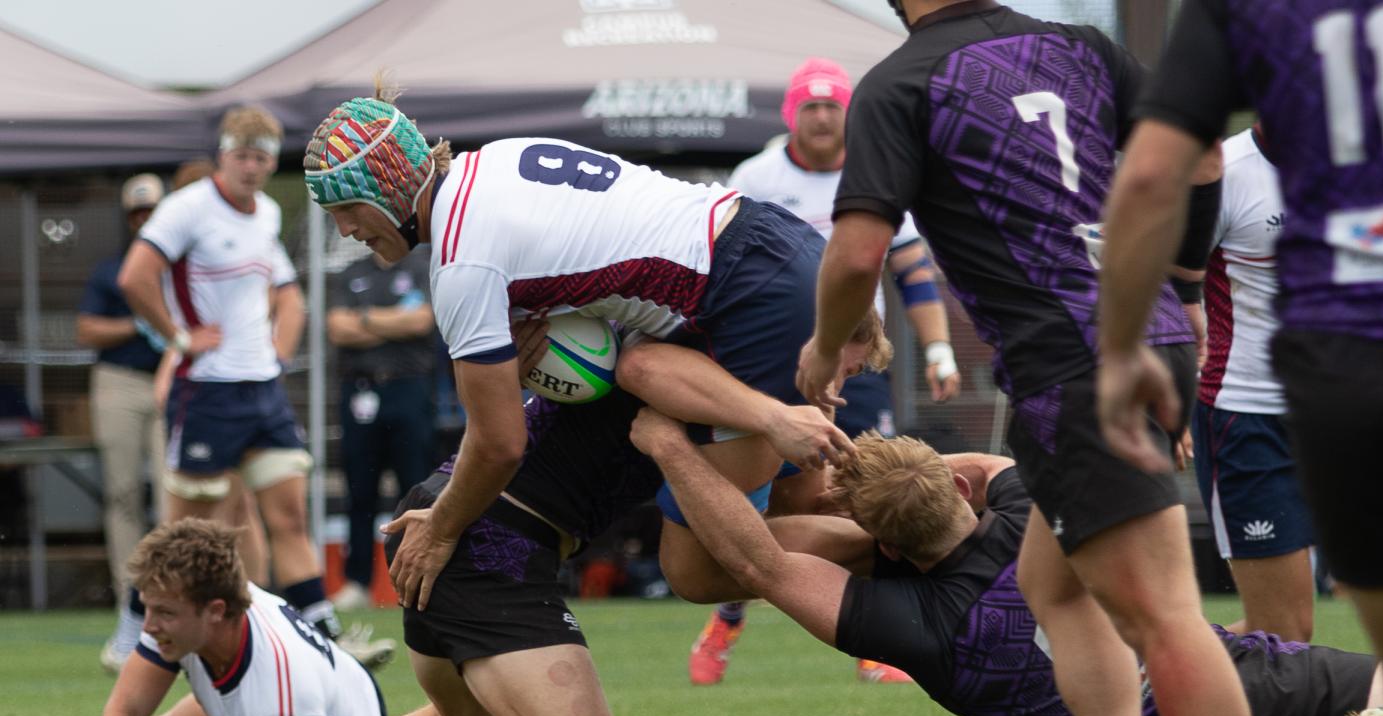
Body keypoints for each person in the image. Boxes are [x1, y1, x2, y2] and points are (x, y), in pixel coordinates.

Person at [791, 1, 1256, 716]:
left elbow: (861, 252)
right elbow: (1206, 158)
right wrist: (1185, 287)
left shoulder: (902, 80)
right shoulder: (1079, 46)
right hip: (1142, 342)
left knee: (1164, 616)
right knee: (1056, 585)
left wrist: (827, 347)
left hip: (1074, 368)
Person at [633, 415, 1383, 716]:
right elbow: (981, 470)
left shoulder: (916, 629)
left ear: (879, 546)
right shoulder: (1029, 503)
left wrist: (672, 446)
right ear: (959, 492)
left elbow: (752, 562)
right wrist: (899, 470)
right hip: (1254, 686)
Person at [302, 86, 856, 621]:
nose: (346, 230)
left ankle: (912, 552)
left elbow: (498, 444)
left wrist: (442, 526)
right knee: (808, 495)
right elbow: (598, 248)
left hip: (745, 298)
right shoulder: (495, 161)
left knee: (698, 568)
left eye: (347, 207)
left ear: (391, 188)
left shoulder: (461, 261)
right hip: (776, 244)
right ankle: (932, 492)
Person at [285, 321, 886, 716]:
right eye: (844, 367)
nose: (837, 391)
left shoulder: (735, 372)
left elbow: (809, 498)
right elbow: (700, 566)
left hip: (456, 516)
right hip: (487, 535)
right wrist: (882, 541)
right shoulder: (725, 386)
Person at [1093, 1, 1383, 716]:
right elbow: (1163, 226)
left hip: (1350, 393)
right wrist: (1162, 368)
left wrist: (1118, 363)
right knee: (1289, 644)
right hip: (1256, 420)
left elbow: (1146, 177)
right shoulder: (1232, 169)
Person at [689, 56, 960, 686]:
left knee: (849, 495)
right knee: (754, 504)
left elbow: (915, 272)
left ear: (848, 115)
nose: (820, 117)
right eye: (809, 106)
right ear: (791, 114)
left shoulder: (876, 171)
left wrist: (940, 350)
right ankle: (728, 616)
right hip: (765, 367)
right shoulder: (755, 174)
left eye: (831, 106)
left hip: (853, 368)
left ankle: (871, 637)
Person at [118, 107, 384, 664]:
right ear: (223, 154)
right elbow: (134, 278)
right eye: (242, 154)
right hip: (208, 389)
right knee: (185, 530)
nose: (252, 166)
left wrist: (276, 354)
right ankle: (131, 630)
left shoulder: (264, 213)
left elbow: (288, 293)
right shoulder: (185, 209)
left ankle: (325, 641)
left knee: (287, 516)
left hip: (262, 390)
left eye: (262, 156)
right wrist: (181, 339)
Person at [48, 518, 385, 716]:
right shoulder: (192, 602)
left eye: (163, 613)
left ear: (216, 611)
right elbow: (125, 711)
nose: (148, 626)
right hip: (341, 689)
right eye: (149, 608)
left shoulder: (277, 712)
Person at [1191, 126, 1317, 643]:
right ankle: (1124, 685)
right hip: (1249, 420)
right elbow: (1159, 288)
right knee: (1282, 633)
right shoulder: (1221, 173)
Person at [76, 172, 169, 673]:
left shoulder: (177, 266)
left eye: (152, 210)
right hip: (122, 381)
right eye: (137, 213)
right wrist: (139, 323)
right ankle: (127, 599)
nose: (145, 220)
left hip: (172, 380)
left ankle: (167, 597)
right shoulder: (114, 269)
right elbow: (85, 327)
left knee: (174, 492)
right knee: (123, 494)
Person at [325, 244, 436, 610]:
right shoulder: (352, 271)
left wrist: (366, 320)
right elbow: (337, 328)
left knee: (414, 488)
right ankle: (357, 582)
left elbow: (421, 320)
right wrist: (392, 323)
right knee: (360, 490)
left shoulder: (421, 266)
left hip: (409, 387)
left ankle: (417, 577)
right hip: (360, 389)